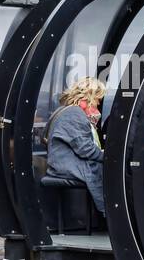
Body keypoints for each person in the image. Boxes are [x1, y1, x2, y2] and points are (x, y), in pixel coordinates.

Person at [45, 77, 106, 214]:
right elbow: (86, 150)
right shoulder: (74, 115)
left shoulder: (65, 111)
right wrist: (108, 156)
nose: (97, 104)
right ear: (88, 97)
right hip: (67, 167)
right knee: (112, 171)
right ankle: (109, 213)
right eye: (97, 100)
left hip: (63, 164)